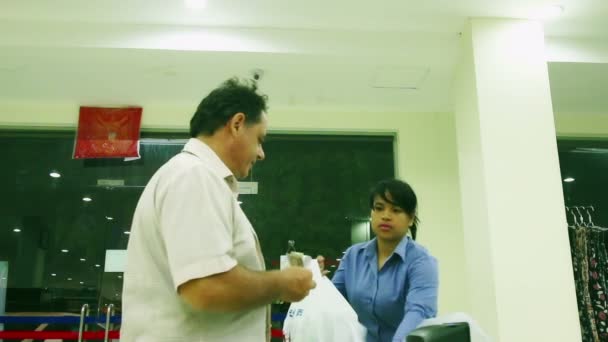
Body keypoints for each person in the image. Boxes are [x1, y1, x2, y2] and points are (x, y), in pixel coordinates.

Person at [121, 78, 315, 342]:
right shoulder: (194, 176)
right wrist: (282, 283)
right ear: (236, 124)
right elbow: (206, 287)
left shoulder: (196, 177)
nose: (261, 153)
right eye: (259, 139)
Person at [332, 179, 438, 342]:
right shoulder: (353, 256)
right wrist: (317, 284)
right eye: (379, 208)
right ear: (372, 213)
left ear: (410, 219)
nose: (386, 216)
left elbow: (419, 312)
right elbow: (333, 303)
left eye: (396, 210)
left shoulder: (421, 262)